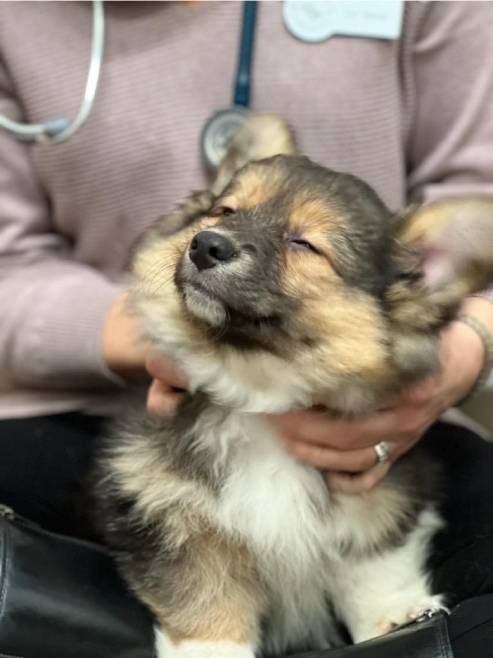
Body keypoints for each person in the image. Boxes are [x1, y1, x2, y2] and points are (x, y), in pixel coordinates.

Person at [0, 0, 492, 655]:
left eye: (301, 244)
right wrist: (151, 336)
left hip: (388, 429)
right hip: (84, 415)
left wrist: (461, 349)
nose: (215, 236)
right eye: (225, 210)